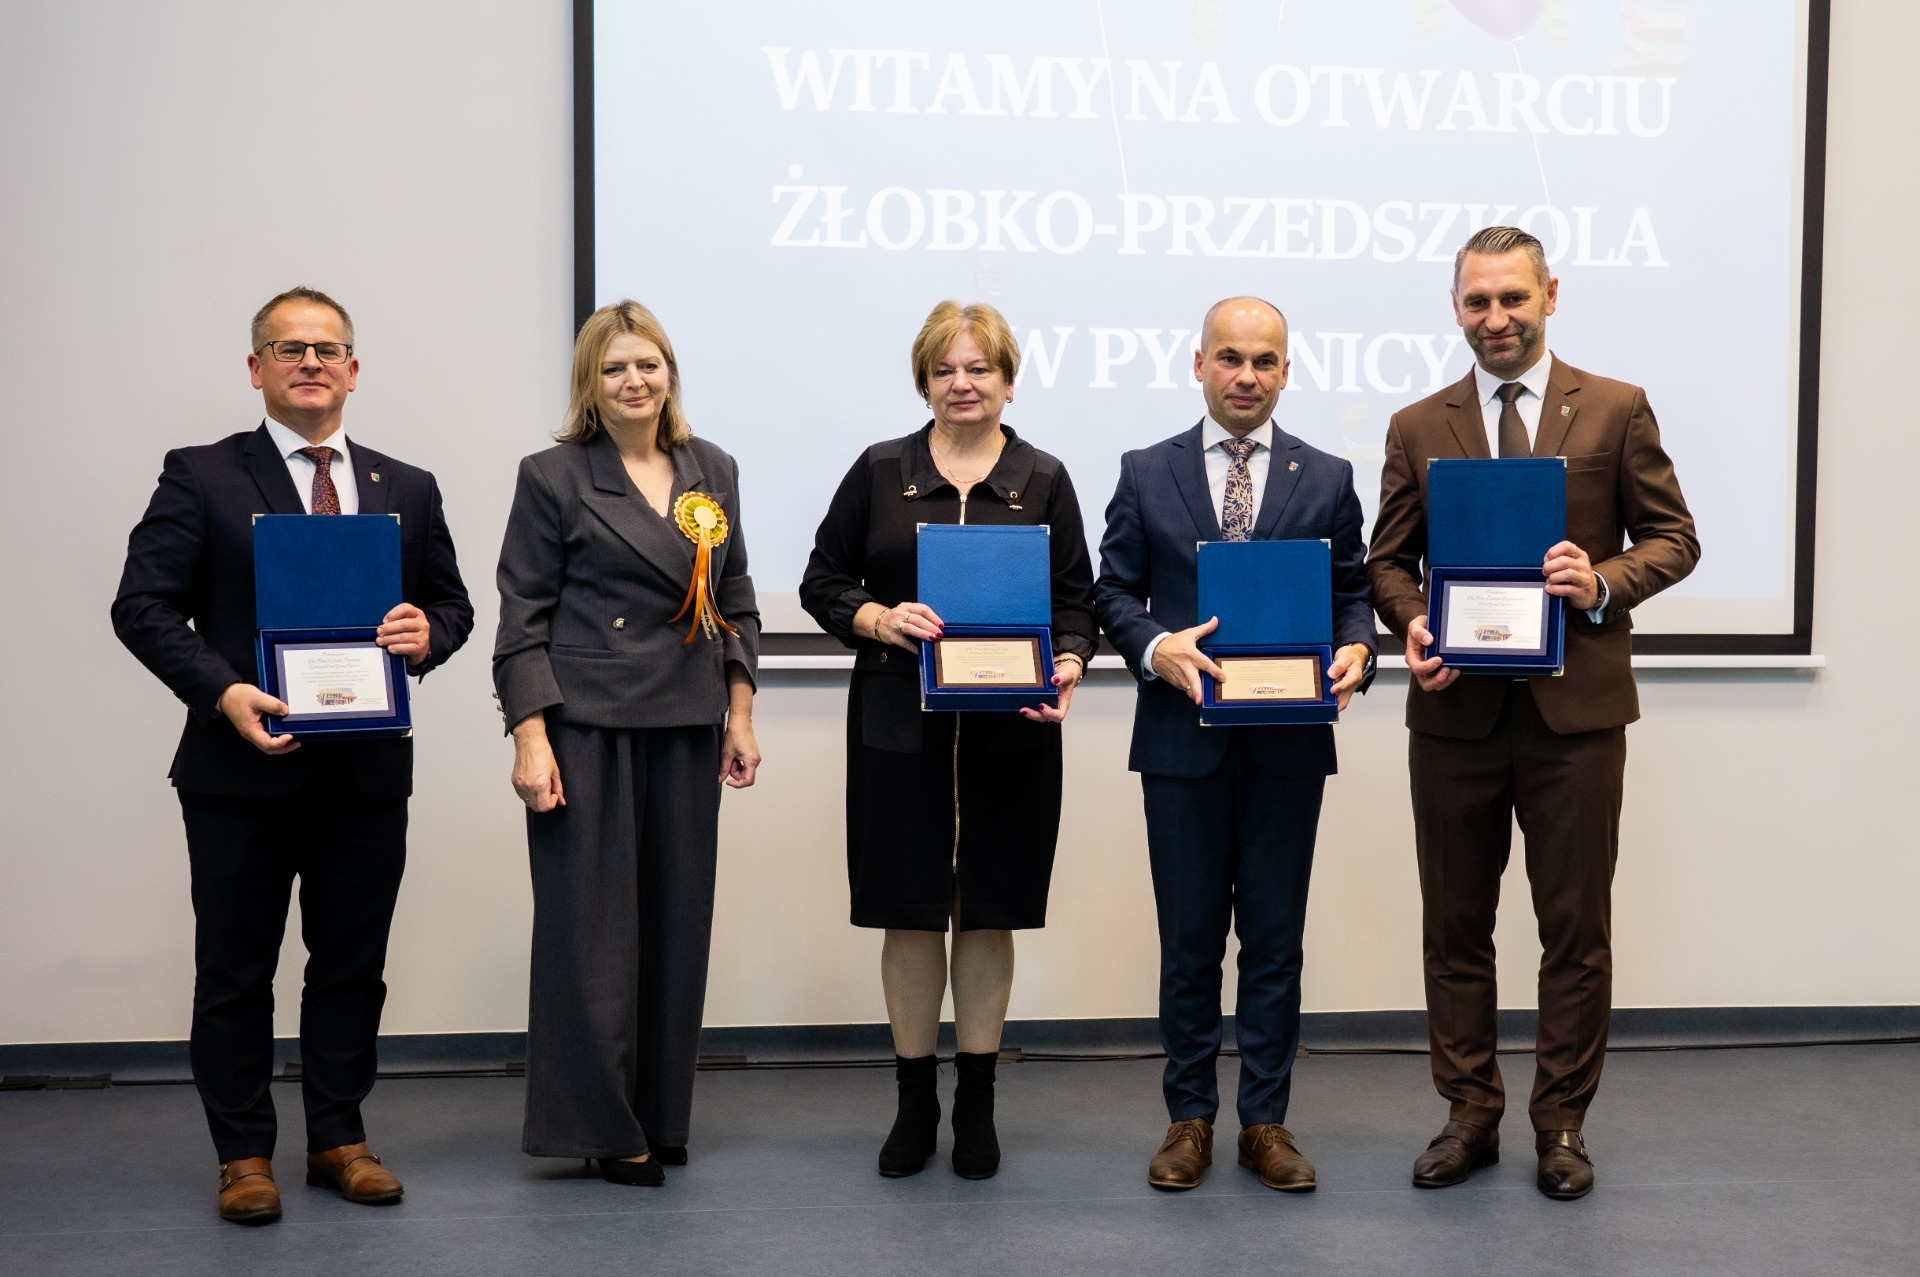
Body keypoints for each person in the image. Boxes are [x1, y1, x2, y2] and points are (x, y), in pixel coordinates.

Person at [111, 287, 473, 1224]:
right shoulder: (201, 474)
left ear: (354, 370)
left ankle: (339, 1139)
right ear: (256, 368)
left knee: (351, 965)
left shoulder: (408, 486)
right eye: (288, 347)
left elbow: (454, 606)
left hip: (366, 773)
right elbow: (141, 605)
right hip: (240, 769)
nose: (310, 362)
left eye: (327, 349)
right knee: (236, 970)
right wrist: (223, 689)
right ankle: (242, 1154)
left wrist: (426, 634)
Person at [1366, 226, 1700, 1200]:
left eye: (1513, 297)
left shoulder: (1617, 408)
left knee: (1575, 930)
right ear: (1455, 307)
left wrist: (1600, 581)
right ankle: (1469, 1113)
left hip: (1576, 717)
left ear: (1550, 294)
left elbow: (1674, 537)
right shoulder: (1416, 425)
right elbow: (1387, 561)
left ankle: (1561, 1124)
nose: (1496, 318)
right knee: (1455, 927)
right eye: (1477, 301)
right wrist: (1412, 621)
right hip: (1454, 714)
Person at [799, 300, 1097, 1181]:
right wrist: (878, 617)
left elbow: (1076, 602)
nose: (962, 384)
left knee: (988, 907)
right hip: (898, 725)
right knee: (910, 909)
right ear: (924, 380)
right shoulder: (878, 470)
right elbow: (822, 579)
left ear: (1008, 380)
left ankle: (976, 1100)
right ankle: (913, 1100)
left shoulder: (1045, 478)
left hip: (1013, 732)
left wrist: (1070, 661)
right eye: (945, 369)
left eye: (979, 368)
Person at [1095, 297, 1375, 1193]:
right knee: (1188, 942)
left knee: (1275, 942)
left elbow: (1352, 593)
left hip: (1288, 748)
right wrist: (1154, 646)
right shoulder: (1146, 471)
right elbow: (1112, 592)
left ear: (1287, 370)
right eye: (1229, 357)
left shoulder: (1326, 475)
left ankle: (1265, 1122)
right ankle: (1189, 1119)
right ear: (1199, 364)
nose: (1246, 375)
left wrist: (1361, 651)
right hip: (1181, 744)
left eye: (1264, 360)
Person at [493, 300, 760, 1188]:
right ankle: (604, 1127)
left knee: (678, 929)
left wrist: (740, 713)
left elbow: (737, 601)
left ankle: (659, 1112)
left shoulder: (711, 467)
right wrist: (531, 739)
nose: (634, 380)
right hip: (587, 729)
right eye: (614, 368)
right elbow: (521, 623)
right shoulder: (553, 475)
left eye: (649, 364)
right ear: (590, 382)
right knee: (591, 939)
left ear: (670, 374)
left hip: (688, 724)